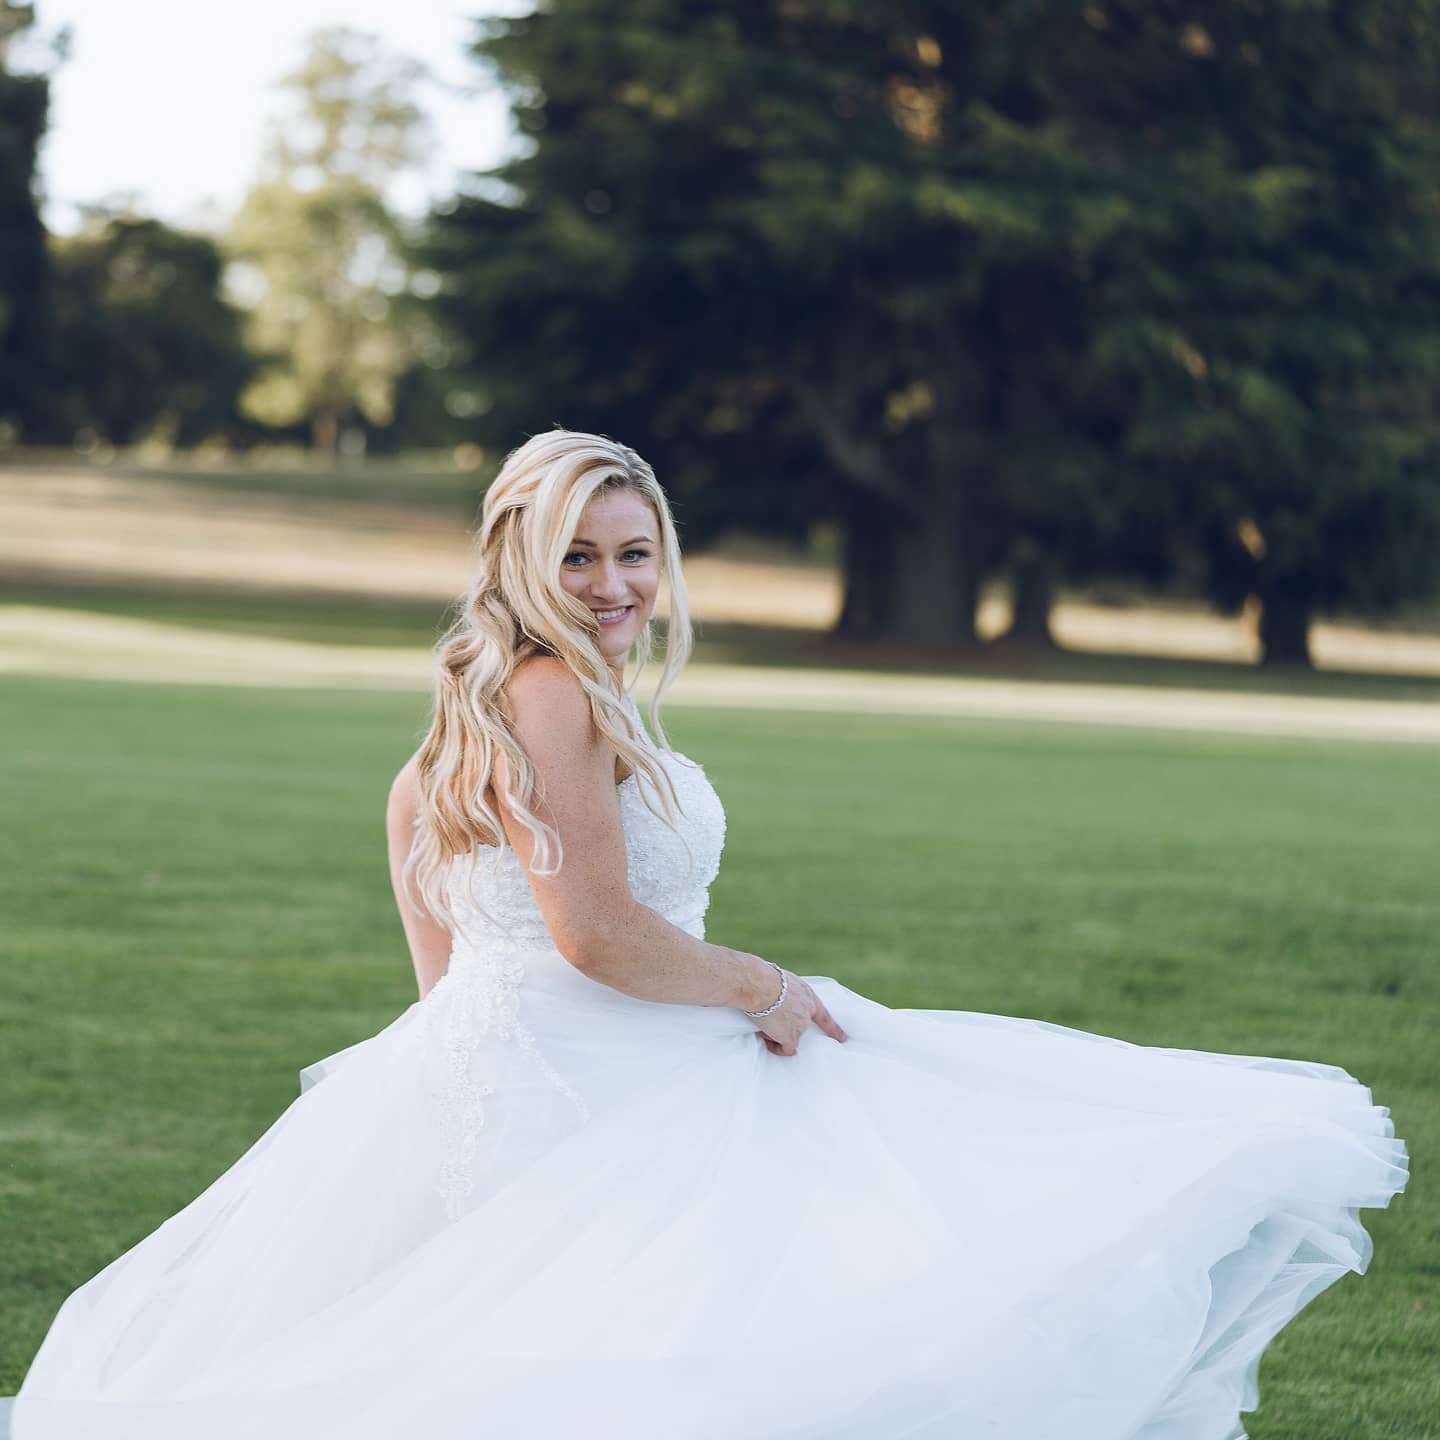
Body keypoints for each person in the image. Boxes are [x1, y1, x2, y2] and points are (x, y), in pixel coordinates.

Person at [12, 429, 1408, 1440]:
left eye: (636, 554)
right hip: (608, 1070)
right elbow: (596, 936)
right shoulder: (555, 697)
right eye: (578, 556)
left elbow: (443, 982)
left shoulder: (446, 745)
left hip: (491, 1082)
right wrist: (764, 988)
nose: (613, 584)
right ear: (518, 560)